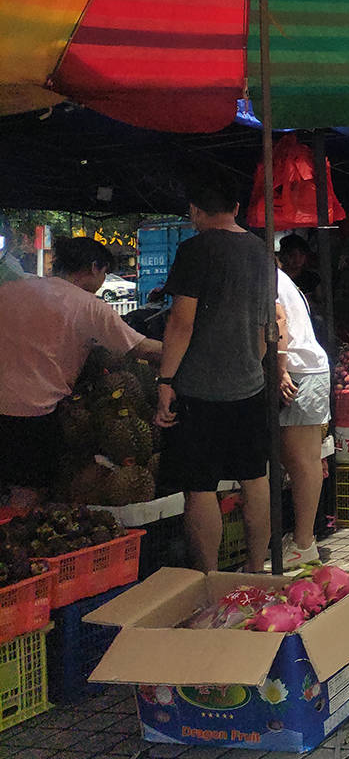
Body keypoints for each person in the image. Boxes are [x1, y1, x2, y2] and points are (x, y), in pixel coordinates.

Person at [155, 173, 276, 573]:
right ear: (237, 208)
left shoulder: (195, 250)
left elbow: (181, 323)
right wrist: (253, 366)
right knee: (255, 478)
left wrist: (166, 381)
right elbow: (265, 326)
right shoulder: (262, 251)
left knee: (201, 486)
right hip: (250, 384)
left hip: (200, 389)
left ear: (194, 211)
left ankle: (208, 576)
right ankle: (256, 569)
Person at [0, 237, 163, 509]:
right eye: (104, 274)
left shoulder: (11, 289)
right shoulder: (87, 305)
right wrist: (188, 352)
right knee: (28, 494)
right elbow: (142, 348)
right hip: (33, 412)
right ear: (94, 267)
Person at [274, 260, 329, 568]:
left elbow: (279, 322)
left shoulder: (267, 278)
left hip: (299, 371)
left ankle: (304, 542)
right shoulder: (279, 278)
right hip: (305, 370)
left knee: (303, 462)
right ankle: (302, 539)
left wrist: (280, 369)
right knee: (302, 461)